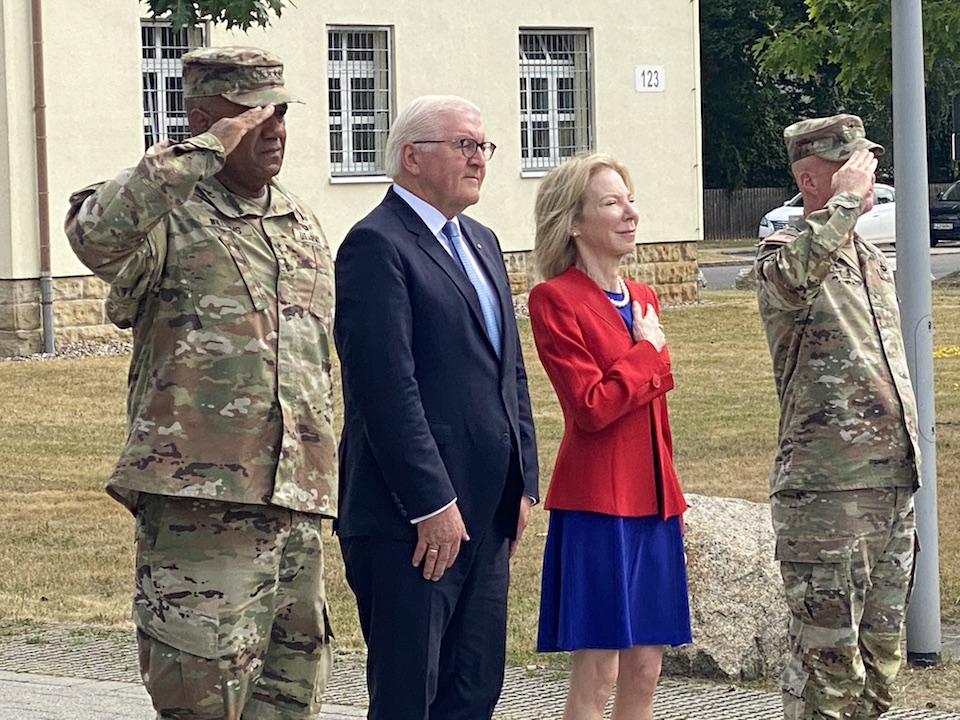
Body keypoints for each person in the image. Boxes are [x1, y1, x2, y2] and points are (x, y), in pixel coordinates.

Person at [64, 47, 337, 720]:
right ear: (204, 121)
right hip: (201, 516)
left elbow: (319, 365)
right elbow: (95, 236)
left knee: (290, 700)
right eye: (250, 115)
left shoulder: (299, 222)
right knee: (202, 701)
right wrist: (202, 152)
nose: (272, 129)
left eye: (279, 113)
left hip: (293, 512)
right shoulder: (167, 216)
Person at [333, 95, 539, 720]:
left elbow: (509, 372)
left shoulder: (481, 240)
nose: (479, 159)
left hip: (486, 511)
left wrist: (522, 483)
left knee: (474, 689)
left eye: (484, 146)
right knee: (409, 695)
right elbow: (385, 391)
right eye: (464, 146)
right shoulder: (376, 245)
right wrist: (431, 504)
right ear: (411, 158)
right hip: (411, 521)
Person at [754, 114, 921, 720]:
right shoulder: (784, 254)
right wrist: (846, 200)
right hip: (827, 492)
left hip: (889, 483)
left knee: (878, 665)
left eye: (867, 162)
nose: (868, 173)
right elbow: (796, 274)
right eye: (849, 164)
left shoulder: (868, 257)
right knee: (829, 671)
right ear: (810, 179)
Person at [527, 153, 691, 720]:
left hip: (654, 496)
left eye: (630, 199)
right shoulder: (554, 300)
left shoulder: (644, 296)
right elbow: (591, 407)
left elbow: (654, 396)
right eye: (612, 202)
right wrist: (647, 352)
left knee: (647, 669)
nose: (631, 214)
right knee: (599, 672)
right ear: (574, 222)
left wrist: (645, 362)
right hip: (598, 500)